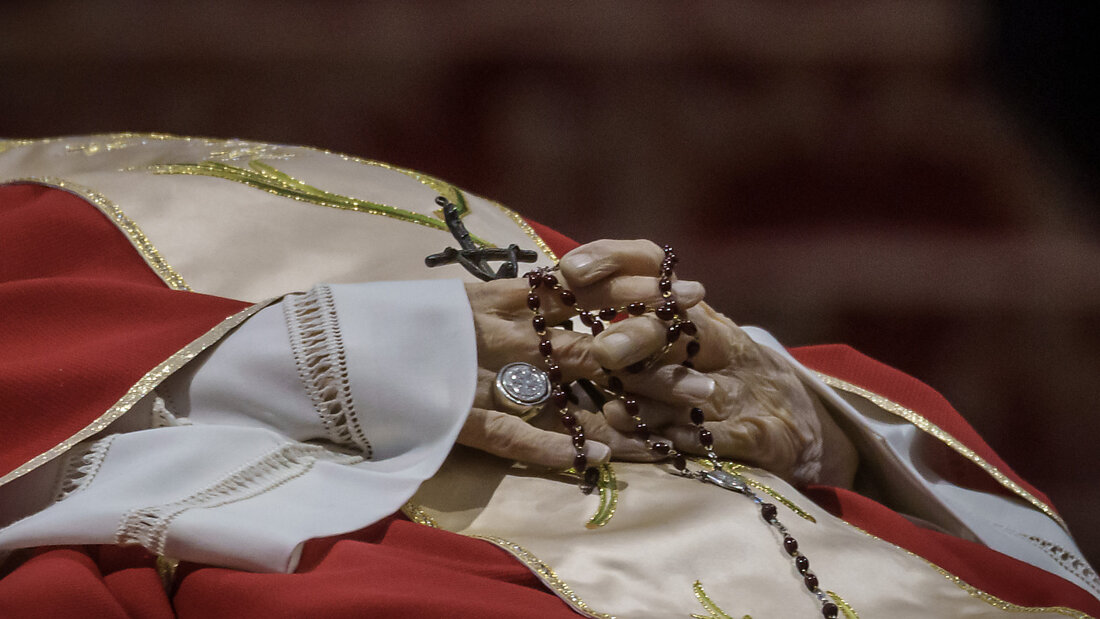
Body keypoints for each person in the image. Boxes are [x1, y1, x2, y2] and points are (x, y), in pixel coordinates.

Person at [0, 134, 1097, 618]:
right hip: (285, 543)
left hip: (774, 519)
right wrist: (307, 366)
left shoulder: (95, 176)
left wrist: (798, 412)